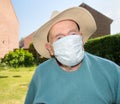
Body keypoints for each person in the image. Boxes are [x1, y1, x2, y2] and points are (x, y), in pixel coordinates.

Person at [25, 7, 120, 104]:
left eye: (73, 34)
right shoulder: (41, 74)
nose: (68, 41)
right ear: (50, 48)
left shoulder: (112, 71)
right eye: (59, 37)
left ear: (81, 39)